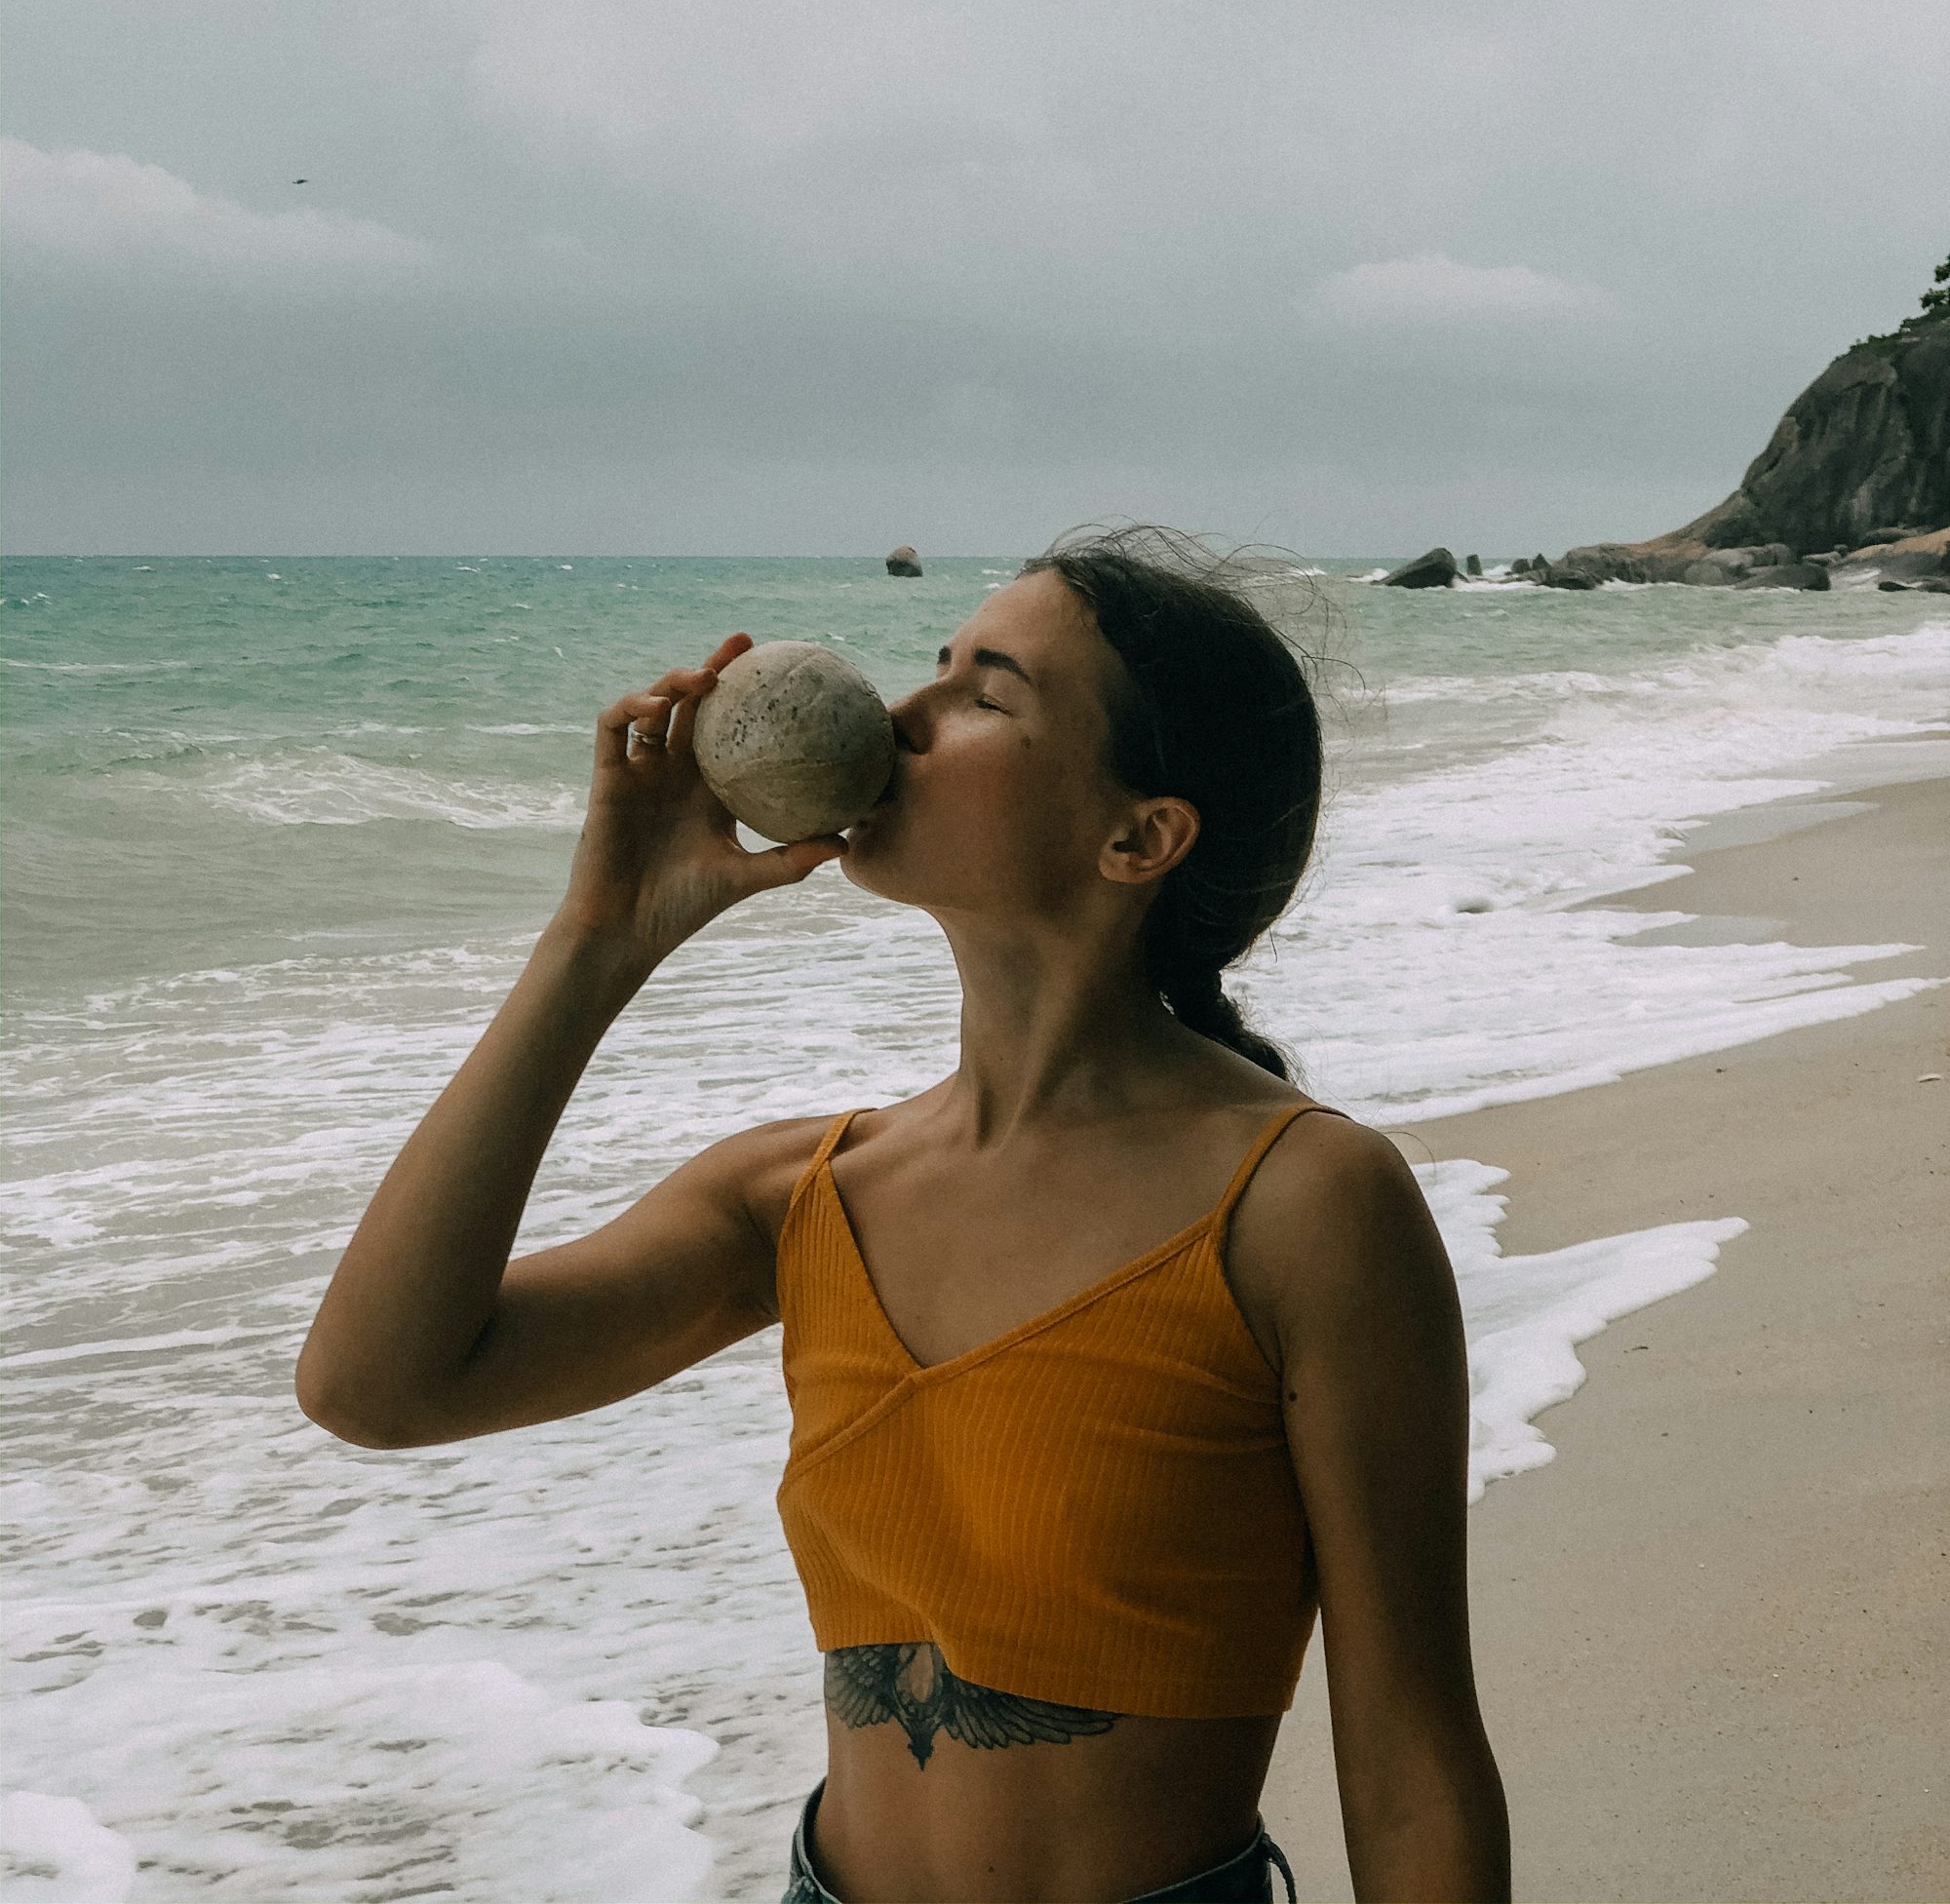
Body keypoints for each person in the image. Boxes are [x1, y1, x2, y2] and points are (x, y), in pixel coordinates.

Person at [297, 528, 1510, 1904]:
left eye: (984, 695)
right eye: (932, 668)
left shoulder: (1303, 1204)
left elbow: (1411, 1755)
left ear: (1138, 836)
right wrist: (600, 939)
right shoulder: (801, 1197)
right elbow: (375, 1386)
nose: (900, 715)